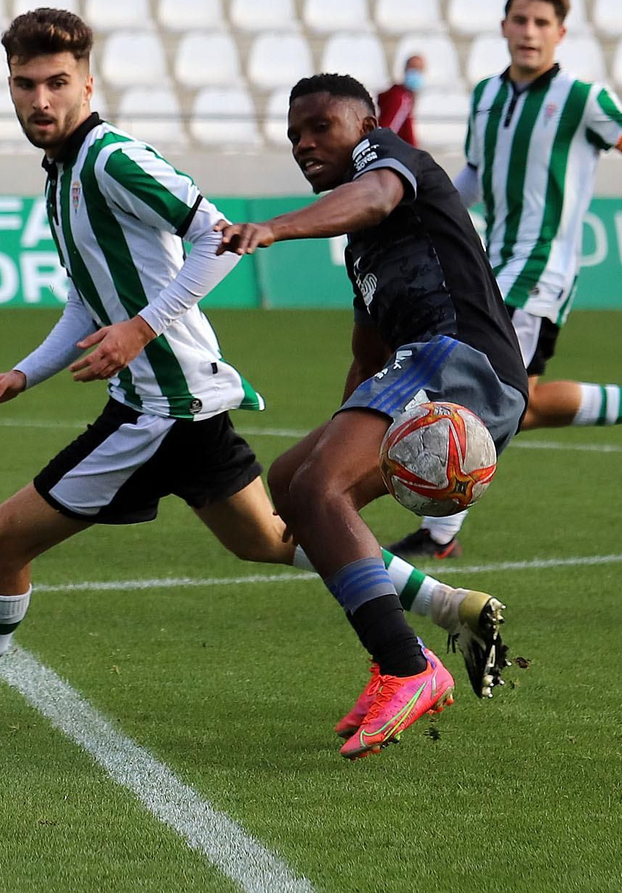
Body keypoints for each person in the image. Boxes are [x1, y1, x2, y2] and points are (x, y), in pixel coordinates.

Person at [0, 11, 507, 733]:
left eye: (57, 82)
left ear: (87, 83)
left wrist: (142, 328)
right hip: (180, 400)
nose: (41, 99)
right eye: (25, 84)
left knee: (2, 539)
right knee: (274, 537)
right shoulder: (63, 175)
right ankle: (450, 605)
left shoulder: (112, 158)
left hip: (160, 407)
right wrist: (25, 375)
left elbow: (216, 239)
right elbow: (88, 302)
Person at [217, 73, 532, 758]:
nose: (303, 143)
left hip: (459, 358)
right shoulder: (363, 242)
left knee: (321, 486)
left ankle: (406, 666)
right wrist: (341, 428)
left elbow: (378, 192)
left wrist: (273, 227)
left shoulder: (387, 159)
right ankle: (422, 634)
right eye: (293, 134)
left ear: (363, 126)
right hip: (424, 364)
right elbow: (367, 352)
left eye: (319, 127)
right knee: (296, 481)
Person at [391, 0, 622, 561]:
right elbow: (476, 176)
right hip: (489, 263)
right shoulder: (485, 95)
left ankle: (439, 532)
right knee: (515, 400)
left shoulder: (581, 98)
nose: (529, 32)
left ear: (560, 33)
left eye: (541, 23)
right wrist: (426, 210)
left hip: (540, 273)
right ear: (504, 26)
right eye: (520, 20)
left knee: (476, 389)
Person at [376, 54, 424, 146]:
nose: (416, 73)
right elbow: (388, 131)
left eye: (419, 70)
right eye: (413, 68)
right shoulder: (400, 98)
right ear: (405, 70)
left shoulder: (407, 97)